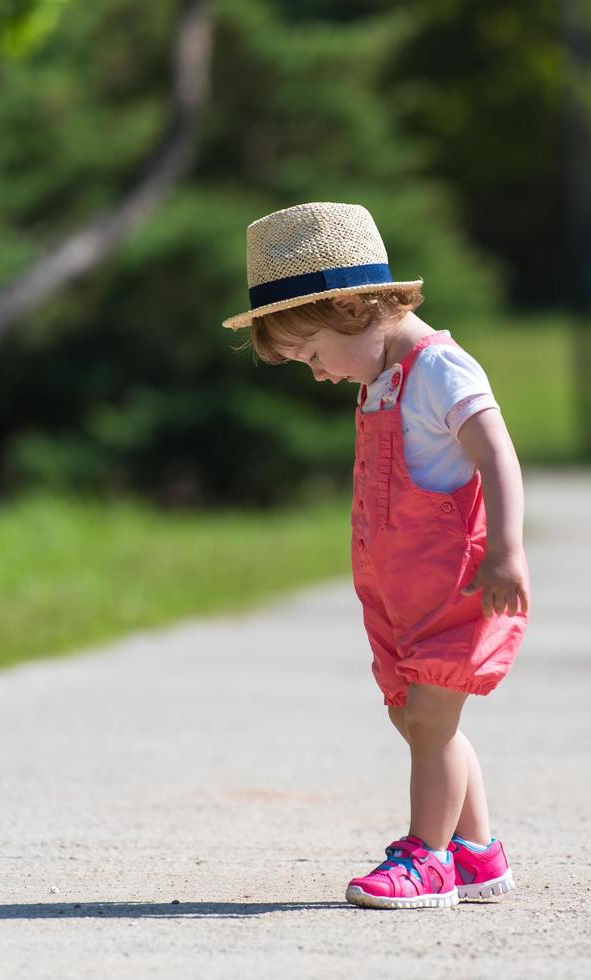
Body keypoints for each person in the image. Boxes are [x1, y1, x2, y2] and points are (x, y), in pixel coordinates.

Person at [223, 202, 529, 910]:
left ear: (353, 309)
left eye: (313, 355)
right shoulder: (381, 380)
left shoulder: (439, 370)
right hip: (401, 599)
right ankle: (476, 851)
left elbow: (496, 452)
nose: (319, 375)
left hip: (457, 590)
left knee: (429, 720)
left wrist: (509, 548)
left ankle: (426, 858)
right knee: (416, 720)